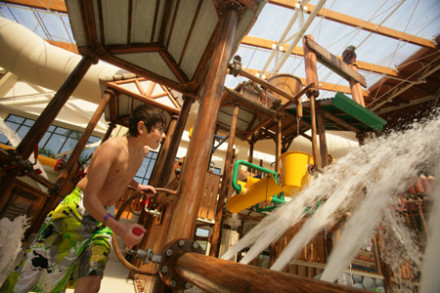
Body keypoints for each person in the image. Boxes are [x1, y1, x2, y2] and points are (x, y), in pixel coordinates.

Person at [2, 104, 167, 293]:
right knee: (35, 269)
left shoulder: (143, 151)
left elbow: (122, 173)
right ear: (141, 127)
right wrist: (120, 228)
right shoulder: (112, 148)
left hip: (105, 216)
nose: (163, 136)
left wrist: (138, 186)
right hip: (77, 211)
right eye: (160, 130)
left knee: (92, 281)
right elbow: (90, 199)